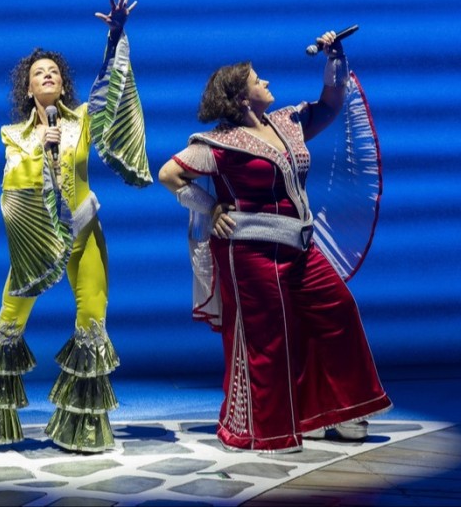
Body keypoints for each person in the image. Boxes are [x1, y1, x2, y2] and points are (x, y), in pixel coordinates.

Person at [158, 30, 392, 453]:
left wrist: (334, 58)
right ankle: (265, 429)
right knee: (267, 337)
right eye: (256, 79)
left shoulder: (288, 122)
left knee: (338, 308)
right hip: (249, 250)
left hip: (299, 246)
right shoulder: (219, 144)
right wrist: (210, 209)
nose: (265, 81)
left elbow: (330, 104)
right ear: (240, 97)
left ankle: (335, 410)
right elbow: (169, 174)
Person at [0, 0, 152, 454]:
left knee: (92, 321)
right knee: (9, 322)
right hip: (37, 244)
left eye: (54, 70)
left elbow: (110, 92)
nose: (48, 75)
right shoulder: (14, 135)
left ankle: (83, 430)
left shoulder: (81, 120)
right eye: (39, 73)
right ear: (28, 89)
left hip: (85, 231)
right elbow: (13, 188)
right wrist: (42, 145)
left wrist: (115, 37)